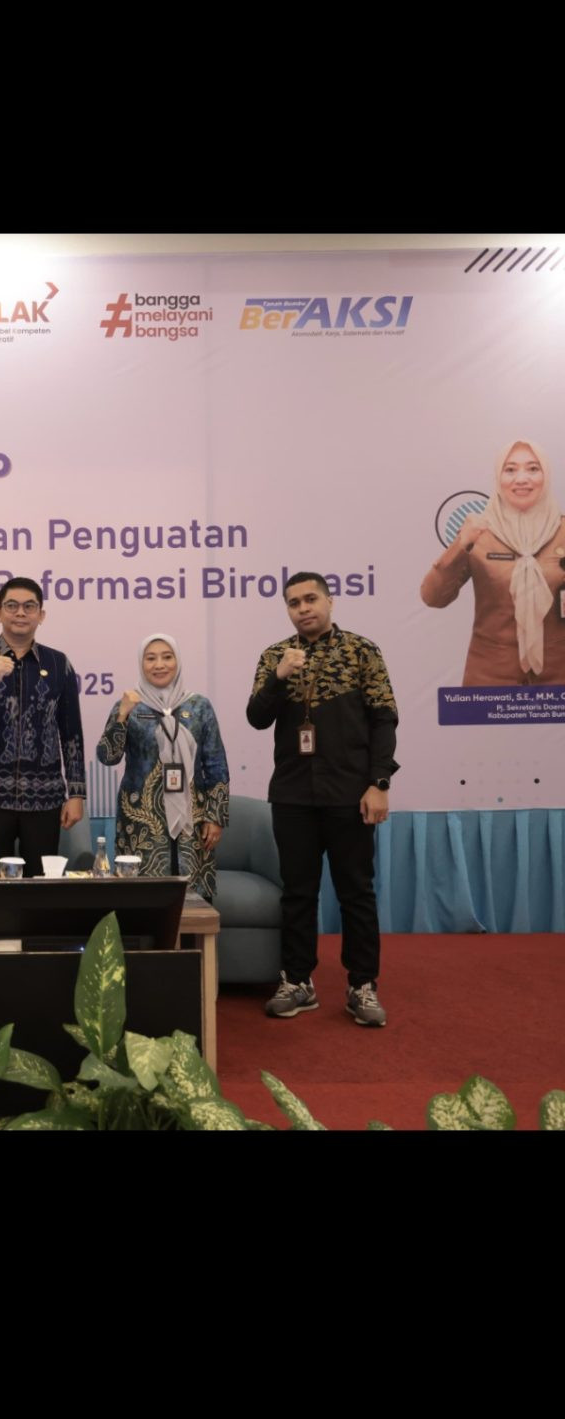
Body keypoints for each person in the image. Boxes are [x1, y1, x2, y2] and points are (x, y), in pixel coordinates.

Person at [246, 570, 398, 1028]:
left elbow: (384, 719)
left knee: (356, 892)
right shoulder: (275, 656)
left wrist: (379, 783)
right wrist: (279, 677)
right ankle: (297, 981)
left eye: (311, 599)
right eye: (294, 603)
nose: (303, 608)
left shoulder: (361, 651)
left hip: (350, 793)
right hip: (293, 794)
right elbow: (257, 718)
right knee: (297, 893)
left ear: (330, 602)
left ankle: (362, 985)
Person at [0, 578, 86, 875]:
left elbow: (71, 732)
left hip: (44, 798)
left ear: (41, 615)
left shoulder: (58, 663)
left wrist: (76, 794)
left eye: (29, 606)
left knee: (41, 883)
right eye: (11, 606)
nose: (20, 613)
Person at [420, 438, 565, 685]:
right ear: (498, 477)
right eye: (510, 470)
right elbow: (433, 597)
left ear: (546, 476)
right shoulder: (479, 531)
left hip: (558, 680)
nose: (521, 479)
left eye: (533, 468)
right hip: (490, 679)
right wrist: (461, 545)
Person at [96, 635, 229, 898]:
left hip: (193, 815)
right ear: (141, 663)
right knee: (141, 897)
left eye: (167, 657)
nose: (159, 665)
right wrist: (122, 716)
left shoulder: (199, 706)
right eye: (151, 658)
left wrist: (215, 816)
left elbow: (215, 763)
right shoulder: (129, 705)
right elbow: (107, 757)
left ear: (177, 662)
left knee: (192, 897)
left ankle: (191, 928)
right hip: (142, 819)